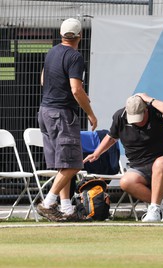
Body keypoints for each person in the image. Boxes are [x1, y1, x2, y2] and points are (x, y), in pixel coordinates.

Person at [36, 18, 98, 222]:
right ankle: (48, 202)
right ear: (80, 36)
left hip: (45, 111)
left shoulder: (52, 52)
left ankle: (67, 209)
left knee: (63, 164)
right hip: (62, 114)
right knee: (74, 164)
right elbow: (75, 89)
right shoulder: (75, 56)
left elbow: (44, 79)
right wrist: (90, 113)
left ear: (62, 34)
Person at [84, 93, 163, 222]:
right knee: (126, 182)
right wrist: (97, 153)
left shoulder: (155, 111)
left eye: (139, 117)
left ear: (146, 109)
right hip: (138, 165)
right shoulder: (120, 116)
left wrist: (148, 99)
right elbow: (112, 137)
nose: (137, 121)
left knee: (160, 163)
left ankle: (154, 210)